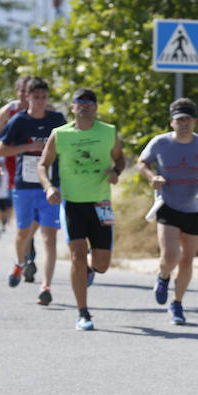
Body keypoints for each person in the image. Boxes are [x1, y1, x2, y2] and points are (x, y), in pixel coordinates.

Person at [38, 88, 125, 330]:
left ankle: (90, 268)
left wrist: (116, 172)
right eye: (80, 103)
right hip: (71, 203)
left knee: (102, 265)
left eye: (89, 103)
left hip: (101, 204)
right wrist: (48, 188)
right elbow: (43, 165)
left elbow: (120, 158)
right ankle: (83, 313)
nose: (84, 106)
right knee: (76, 254)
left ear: (95, 107)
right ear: (73, 107)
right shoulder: (60, 134)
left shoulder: (108, 132)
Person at [136, 97, 198, 325]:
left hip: (194, 207)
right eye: (179, 120)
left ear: (194, 121)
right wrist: (153, 178)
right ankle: (163, 276)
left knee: (187, 260)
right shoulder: (160, 143)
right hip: (167, 205)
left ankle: (177, 303)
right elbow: (141, 162)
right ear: (172, 122)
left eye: (188, 120)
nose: (183, 124)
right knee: (171, 256)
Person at [0, 76, 66, 305]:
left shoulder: (57, 119)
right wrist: (29, 147)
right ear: (27, 97)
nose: (40, 101)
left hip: (50, 186)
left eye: (44, 97)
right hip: (24, 186)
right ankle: (19, 263)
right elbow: (0, 149)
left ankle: (45, 286)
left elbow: (67, 147)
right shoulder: (18, 121)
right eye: (36, 97)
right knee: (23, 233)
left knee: (49, 237)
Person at [0, 75, 34, 278]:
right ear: (17, 92)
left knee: (34, 216)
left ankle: (27, 254)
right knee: (24, 216)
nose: (27, 95)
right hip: (14, 168)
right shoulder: (9, 111)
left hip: (38, 168)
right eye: (23, 91)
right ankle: (27, 256)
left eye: (30, 91)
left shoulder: (44, 109)